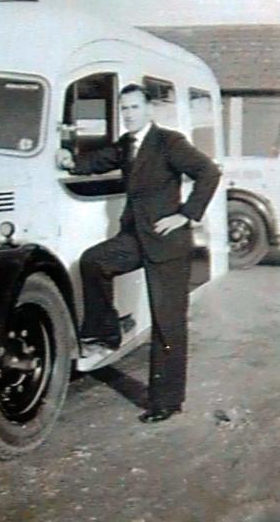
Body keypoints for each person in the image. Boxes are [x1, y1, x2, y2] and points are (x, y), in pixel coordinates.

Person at [57, 83, 221, 423]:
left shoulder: (168, 142)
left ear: (148, 109)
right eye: (124, 109)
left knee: (167, 324)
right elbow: (98, 161)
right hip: (135, 239)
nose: (129, 114)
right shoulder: (127, 145)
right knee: (94, 261)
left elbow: (209, 172)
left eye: (134, 108)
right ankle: (105, 333)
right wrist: (71, 161)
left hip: (168, 245)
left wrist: (186, 214)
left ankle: (166, 401)